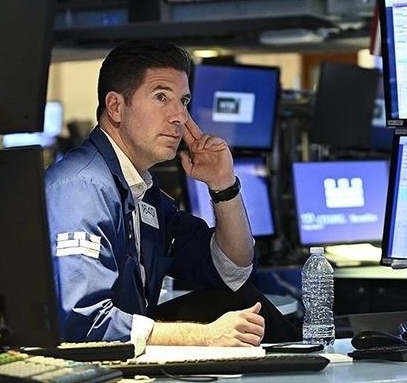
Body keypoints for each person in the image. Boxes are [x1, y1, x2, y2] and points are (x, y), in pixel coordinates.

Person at [44, 39, 295, 349]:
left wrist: (224, 186)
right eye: (161, 97)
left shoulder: (143, 193)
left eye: (184, 101)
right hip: (91, 366)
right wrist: (205, 336)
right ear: (116, 107)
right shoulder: (81, 188)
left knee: (235, 300)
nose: (179, 116)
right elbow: (83, 323)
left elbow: (232, 272)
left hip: (128, 361)